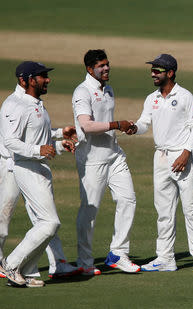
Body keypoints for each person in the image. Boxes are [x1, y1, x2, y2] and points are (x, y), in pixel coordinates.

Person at [0, 61, 82, 281]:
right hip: (13, 164)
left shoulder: (35, 102)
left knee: (45, 218)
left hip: (31, 162)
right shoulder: (14, 103)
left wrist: (59, 134)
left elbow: (36, 131)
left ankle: (57, 262)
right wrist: (41, 148)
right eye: (41, 76)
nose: (47, 79)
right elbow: (14, 141)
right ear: (25, 80)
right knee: (5, 211)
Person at [127, 54, 193, 273]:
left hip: (183, 157)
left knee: (192, 209)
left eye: (158, 70)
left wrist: (186, 153)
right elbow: (145, 123)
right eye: (152, 70)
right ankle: (165, 258)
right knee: (164, 210)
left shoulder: (185, 96)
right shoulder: (152, 98)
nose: (153, 74)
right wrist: (133, 127)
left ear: (171, 73)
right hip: (161, 157)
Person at [73, 49, 140, 276]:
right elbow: (87, 126)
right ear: (90, 69)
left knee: (128, 199)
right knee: (89, 211)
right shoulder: (82, 92)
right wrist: (115, 125)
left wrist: (123, 126)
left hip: (114, 155)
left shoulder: (108, 89)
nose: (107, 68)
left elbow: (107, 122)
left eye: (107, 64)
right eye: (101, 66)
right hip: (92, 160)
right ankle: (84, 261)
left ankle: (118, 253)